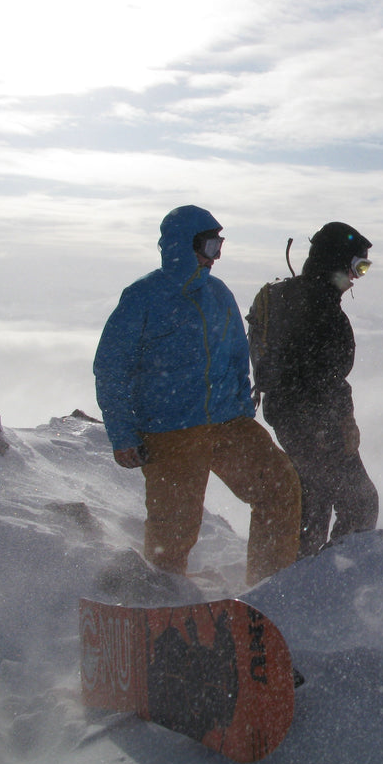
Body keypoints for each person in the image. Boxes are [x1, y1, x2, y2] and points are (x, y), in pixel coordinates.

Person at [94, 205, 301, 585]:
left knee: (280, 489)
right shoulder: (143, 297)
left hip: (227, 423)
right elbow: (111, 368)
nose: (216, 256)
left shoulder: (218, 294)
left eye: (219, 244)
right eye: (209, 245)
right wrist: (122, 434)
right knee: (174, 526)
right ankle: (162, 601)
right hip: (170, 431)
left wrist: (241, 410)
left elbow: (238, 356)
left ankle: (269, 590)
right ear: (181, 245)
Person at [251, 222, 379, 558]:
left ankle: (296, 579)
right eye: (357, 267)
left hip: (288, 417)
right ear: (336, 262)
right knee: (359, 503)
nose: (357, 277)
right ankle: (321, 581)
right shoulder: (321, 310)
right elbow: (324, 379)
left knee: (312, 501)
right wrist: (342, 423)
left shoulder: (283, 296)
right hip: (315, 423)